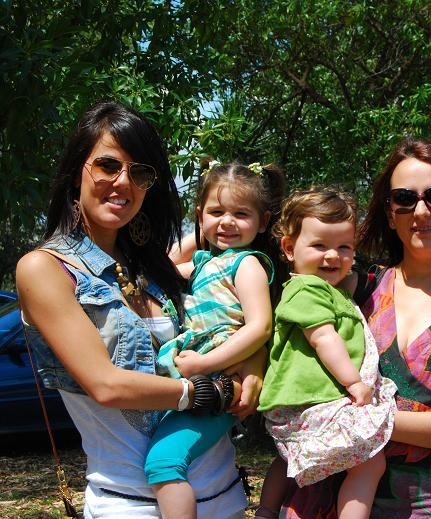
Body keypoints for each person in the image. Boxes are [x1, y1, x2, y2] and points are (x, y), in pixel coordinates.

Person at [16, 101, 261, 518]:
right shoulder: (45, 269)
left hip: (224, 496)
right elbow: (106, 386)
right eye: (108, 165)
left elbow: (232, 320)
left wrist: (252, 367)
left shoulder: (156, 267)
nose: (123, 183)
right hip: (130, 504)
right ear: (76, 172)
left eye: (140, 173)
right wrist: (206, 393)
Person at [281, 137, 431, 518]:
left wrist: (368, 423)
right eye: (404, 199)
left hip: (421, 505)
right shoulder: (352, 287)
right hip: (320, 498)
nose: (421, 210)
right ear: (390, 214)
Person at [146, 162, 285, 518]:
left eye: (241, 214)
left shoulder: (247, 264)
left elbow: (260, 327)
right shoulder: (205, 262)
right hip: (201, 375)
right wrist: (201, 230)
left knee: (163, 461)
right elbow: (158, 266)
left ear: (263, 222)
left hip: (219, 378)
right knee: (165, 456)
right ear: (199, 215)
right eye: (216, 212)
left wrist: (204, 363)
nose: (227, 222)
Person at [256, 188, 397, 519]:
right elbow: (323, 338)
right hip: (309, 398)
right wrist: (354, 382)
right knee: (369, 463)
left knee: (289, 457)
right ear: (289, 248)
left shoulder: (332, 290)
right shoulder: (307, 288)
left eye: (344, 247)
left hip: (304, 397)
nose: (333, 256)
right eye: (319, 246)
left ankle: (266, 510)